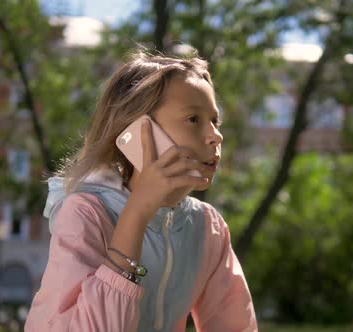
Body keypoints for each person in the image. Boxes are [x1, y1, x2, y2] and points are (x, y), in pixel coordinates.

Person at [24, 51, 257, 331]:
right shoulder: (86, 213)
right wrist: (137, 212)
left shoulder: (208, 227)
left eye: (215, 121)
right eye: (193, 119)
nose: (215, 135)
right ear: (135, 131)